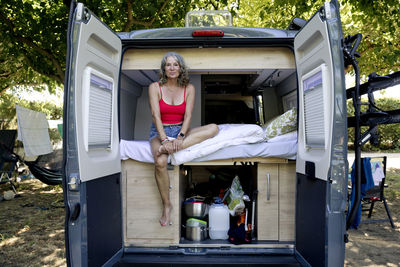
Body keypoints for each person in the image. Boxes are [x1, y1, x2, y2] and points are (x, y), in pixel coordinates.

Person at [148, 52, 219, 226]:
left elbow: (188, 116)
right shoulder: (154, 87)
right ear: (164, 68)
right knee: (160, 162)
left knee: (214, 128)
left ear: (181, 68)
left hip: (181, 130)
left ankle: (173, 146)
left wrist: (180, 137)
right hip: (159, 131)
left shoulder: (190, 88)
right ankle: (167, 206)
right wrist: (164, 141)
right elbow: (155, 116)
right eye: (168, 65)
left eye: (176, 65)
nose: (172, 68)